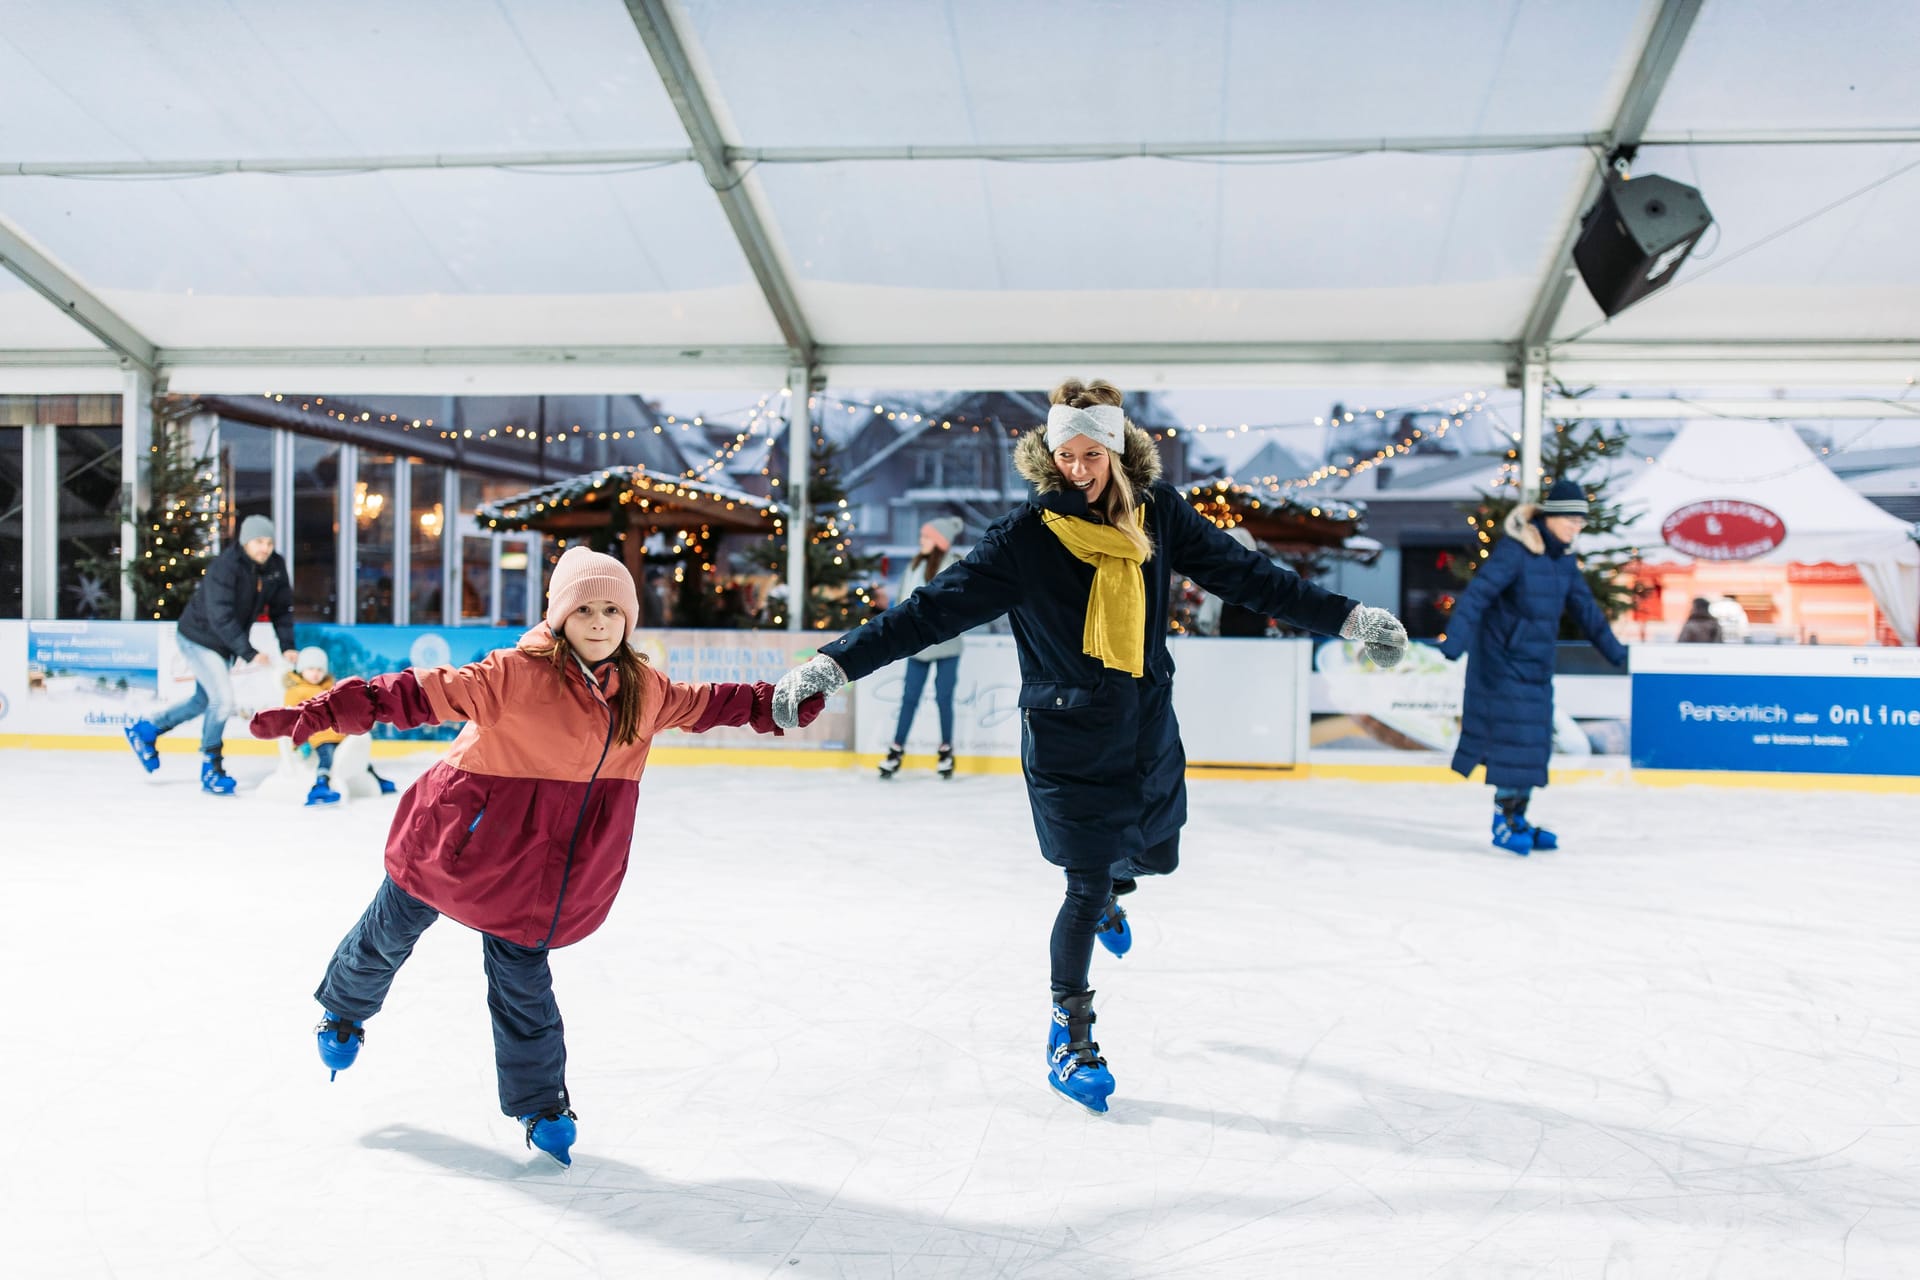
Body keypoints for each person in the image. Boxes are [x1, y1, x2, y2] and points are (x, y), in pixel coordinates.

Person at [767, 378, 1408, 1115]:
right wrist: (833, 663)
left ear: (1117, 448)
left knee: (1158, 853)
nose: (1078, 468)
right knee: (1083, 884)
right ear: (1048, 454)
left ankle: (1112, 894)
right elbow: (925, 615)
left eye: (1091, 453)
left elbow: (1249, 578)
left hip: (1143, 726)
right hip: (1069, 736)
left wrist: (1351, 617)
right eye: (1064, 454)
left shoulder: (1158, 515)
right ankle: (1069, 1033)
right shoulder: (1024, 539)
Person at [249, 546, 823, 1166]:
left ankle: (542, 1102)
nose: (600, 622)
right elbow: (417, 694)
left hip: (537, 866)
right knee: (388, 931)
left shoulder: (644, 689)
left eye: (612, 610)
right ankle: (342, 1012)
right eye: (585, 610)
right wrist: (328, 710)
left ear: (629, 620)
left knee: (522, 981)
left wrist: (774, 705)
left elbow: (712, 703)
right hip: (456, 839)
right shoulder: (514, 673)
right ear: (559, 617)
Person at [1438, 478, 1629, 855]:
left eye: (1581, 522)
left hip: (1535, 666)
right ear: (1553, 517)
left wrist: (1621, 656)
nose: (1577, 527)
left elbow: (1587, 611)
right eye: (1571, 520)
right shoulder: (1517, 551)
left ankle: (1518, 818)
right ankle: (1504, 822)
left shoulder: (1561, 561)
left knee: (1532, 745)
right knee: (1514, 743)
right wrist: (1454, 644)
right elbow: (1478, 595)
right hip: (1502, 663)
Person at [124, 514, 297, 795]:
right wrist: (249, 653)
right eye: (258, 542)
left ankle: (146, 730)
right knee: (222, 700)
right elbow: (221, 617)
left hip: (224, 643)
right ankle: (211, 767)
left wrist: (287, 645)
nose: (264, 548)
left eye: (268, 542)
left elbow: (282, 609)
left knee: (203, 700)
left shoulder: (275, 567)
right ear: (245, 542)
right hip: (198, 637)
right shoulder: (226, 567)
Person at [877, 515, 967, 780]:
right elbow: (903, 601)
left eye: (926, 537)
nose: (921, 541)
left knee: (943, 698)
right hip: (916, 644)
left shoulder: (953, 565)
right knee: (909, 698)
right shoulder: (914, 565)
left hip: (946, 643)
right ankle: (896, 751)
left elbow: (957, 602)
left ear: (939, 541)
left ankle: (946, 751)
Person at [282, 646, 397, 806]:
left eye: (319, 669)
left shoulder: (330, 688)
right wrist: (300, 742)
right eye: (310, 669)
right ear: (301, 670)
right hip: (318, 736)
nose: (315, 673)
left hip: (340, 733)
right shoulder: (295, 692)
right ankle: (320, 785)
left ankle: (374, 777)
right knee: (327, 756)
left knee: (357, 754)